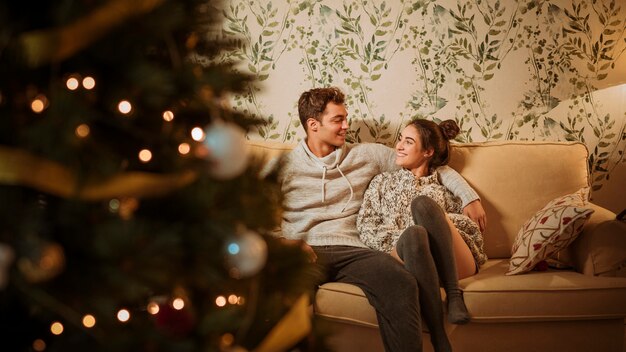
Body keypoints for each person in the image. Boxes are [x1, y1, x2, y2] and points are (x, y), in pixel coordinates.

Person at [273, 87, 486, 352]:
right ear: (313, 125)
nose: (346, 125)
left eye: (345, 117)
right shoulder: (282, 166)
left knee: (401, 282)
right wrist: (282, 243)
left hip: (356, 250)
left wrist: (469, 197)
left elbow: (430, 162)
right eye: (338, 119)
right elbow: (246, 216)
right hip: (305, 250)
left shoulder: (367, 155)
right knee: (279, 293)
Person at [357, 119, 487, 351]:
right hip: (408, 258)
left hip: (455, 262)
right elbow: (367, 226)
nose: (399, 146)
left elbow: (470, 230)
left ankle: (454, 294)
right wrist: (410, 237)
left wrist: (441, 221)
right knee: (415, 235)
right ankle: (439, 335)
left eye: (408, 142)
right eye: (400, 139)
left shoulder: (444, 184)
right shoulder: (381, 183)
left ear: (428, 152)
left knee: (423, 206)